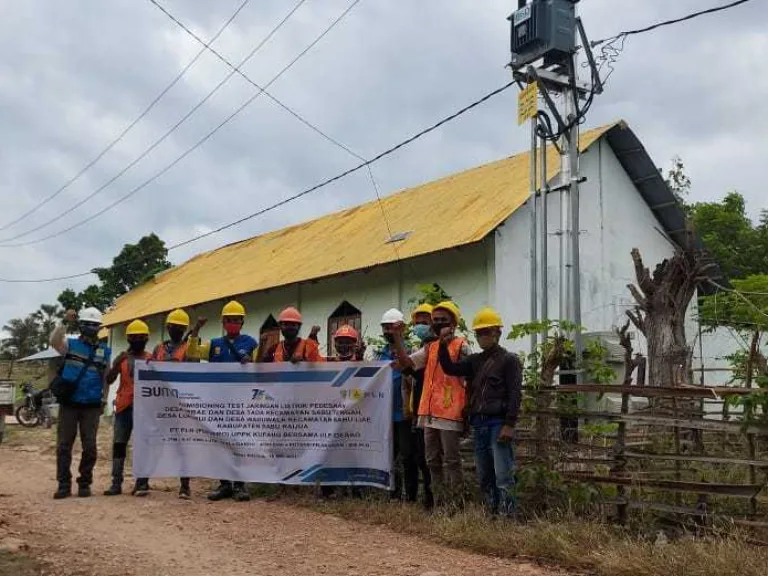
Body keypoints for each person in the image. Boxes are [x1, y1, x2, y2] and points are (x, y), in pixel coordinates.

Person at [437, 307, 522, 516]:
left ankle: (507, 517)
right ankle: (491, 513)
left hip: (498, 423)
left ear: (497, 333)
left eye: (487, 332)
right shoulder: (475, 360)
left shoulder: (509, 360)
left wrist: (509, 424)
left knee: (503, 474)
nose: (482, 336)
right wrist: (442, 345)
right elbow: (450, 368)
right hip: (479, 424)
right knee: (484, 474)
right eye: (479, 333)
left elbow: (515, 394)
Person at [391, 301, 470, 504]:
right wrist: (397, 338)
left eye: (443, 320)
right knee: (431, 460)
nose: (438, 323)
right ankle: (439, 502)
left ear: (453, 323)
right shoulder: (430, 348)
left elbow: (469, 377)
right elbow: (406, 363)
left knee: (451, 460)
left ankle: (456, 503)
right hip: (428, 413)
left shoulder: (462, 345)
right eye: (435, 320)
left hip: (451, 412)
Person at [188, 300, 258, 502]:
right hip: (218, 403)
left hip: (241, 403)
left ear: (242, 322)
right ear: (223, 322)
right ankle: (224, 484)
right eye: (229, 320)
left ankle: (239, 486)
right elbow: (192, 353)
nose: (233, 323)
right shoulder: (214, 344)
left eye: (237, 320)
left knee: (238, 443)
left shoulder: (251, 343)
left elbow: (260, 367)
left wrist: (251, 363)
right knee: (220, 443)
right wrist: (196, 330)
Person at [49, 308, 111, 499]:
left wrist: (104, 400)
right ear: (81, 325)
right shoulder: (70, 344)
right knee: (64, 446)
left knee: (90, 447)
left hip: (92, 404)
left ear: (99, 328)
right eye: (87, 324)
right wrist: (65, 322)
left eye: (94, 325)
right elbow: (54, 341)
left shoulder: (105, 351)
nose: (90, 327)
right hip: (69, 403)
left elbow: (106, 377)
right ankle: (64, 485)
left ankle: (84, 483)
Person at [150, 308, 201, 499]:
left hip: (181, 404)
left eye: (180, 328)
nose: (176, 330)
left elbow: (194, 368)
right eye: (173, 326)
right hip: (160, 403)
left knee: (182, 444)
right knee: (154, 442)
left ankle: (185, 486)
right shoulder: (158, 349)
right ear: (168, 327)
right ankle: (143, 480)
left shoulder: (189, 347)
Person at [371, 309, 418, 502]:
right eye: (385, 327)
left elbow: (411, 373)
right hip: (385, 415)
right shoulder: (378, 355)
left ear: (402, 328)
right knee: (389, 455)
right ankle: (394, 493)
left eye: (392, 327)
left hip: (404, 414)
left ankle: (411, 495)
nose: (388, 330)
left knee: (408, 455)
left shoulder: (412, 352)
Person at [104, 319, 153, 497]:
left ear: (147, 339)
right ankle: (116, 483)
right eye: (135, 337)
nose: (138, 340)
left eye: (141, 337)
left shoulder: (150, 359)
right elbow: (109, 379)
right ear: (128, 338)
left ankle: (142, 483)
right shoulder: (122, 358)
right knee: (119, 445)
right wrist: (116, 363)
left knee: (143, 446)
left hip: (144, 410)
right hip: (124, 407)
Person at [409, 303, 435, 509]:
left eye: (424, 322)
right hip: (418, 410)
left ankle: (435, 499)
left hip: (437, 411)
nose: (420, 326)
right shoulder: (419, 351)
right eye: (417, 323)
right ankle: (428, 498)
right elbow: (405, 367)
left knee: (433, 458)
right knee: (421, 457)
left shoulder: (438, 348)